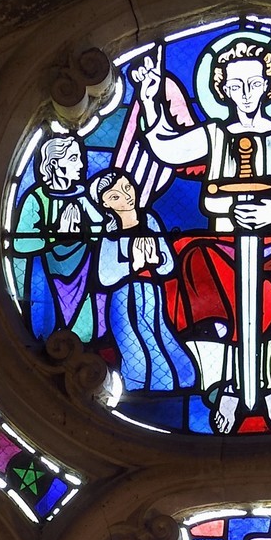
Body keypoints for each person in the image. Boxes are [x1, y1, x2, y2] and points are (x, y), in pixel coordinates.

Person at [131, 31, 271, 431]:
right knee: (190, 259)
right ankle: (223, 384)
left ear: (269, 86)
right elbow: (167, 148)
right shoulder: (215, 135)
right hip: (222, 243)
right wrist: (151, 98)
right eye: (236, 84)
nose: (246, 93)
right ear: (221, 88)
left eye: (255, 83)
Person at [91, 168, 197, 392]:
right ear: (106, 204)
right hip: (123, 298)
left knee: (163, 337)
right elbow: (104, 275)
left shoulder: (149, 220)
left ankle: (183, 382)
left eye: (127, 187)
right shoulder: (110, 232)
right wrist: (133, 264)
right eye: (115, 196)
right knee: (135, 347)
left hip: (152, 293)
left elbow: (168, 264)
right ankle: (146, 390)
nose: (127, 195)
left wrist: (156, 258)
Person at [10, 131, 102, 341]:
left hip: (83, 273)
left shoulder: (82, 196)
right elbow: (20, 243)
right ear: (54, 164)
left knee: (83, 334)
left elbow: (103, 230)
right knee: (46, 327)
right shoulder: (36, 198)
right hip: (46, 276)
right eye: (73, 158)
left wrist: (81, 233)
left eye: (79, 157)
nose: (81, 164)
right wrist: (55, 236)